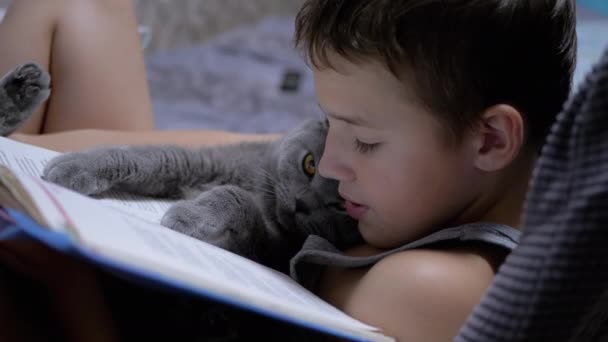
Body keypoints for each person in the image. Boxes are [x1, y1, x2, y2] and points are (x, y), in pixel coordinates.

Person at [0, 0, 577, 341]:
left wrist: (68, 286)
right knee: (75, 7)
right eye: (329, 127)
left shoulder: (432, 291)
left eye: (366, 141)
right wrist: (34, 162)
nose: (328, 163)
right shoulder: (439, 179)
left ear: (493, 138)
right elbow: (234, 147)